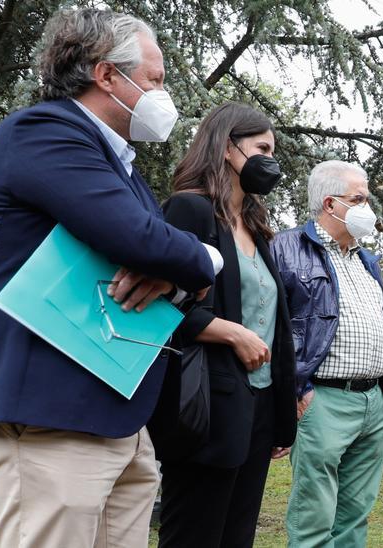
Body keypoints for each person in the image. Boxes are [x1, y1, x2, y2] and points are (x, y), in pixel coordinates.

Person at [0, 9, 217, 547]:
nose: (161, 94)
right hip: (49, 406)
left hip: (113, 410)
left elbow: (154, 252)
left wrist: (170, 276)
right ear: (106, 76)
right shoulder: (44, 131)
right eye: (154, 79)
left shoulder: (119, 163)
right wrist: (204, 259)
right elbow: (137, 238)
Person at [155, 102, 297, 547]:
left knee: (238, 535)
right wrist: (232, 333)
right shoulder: (189, 210)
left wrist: (279, 414)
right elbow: (165, 304)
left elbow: (275, 320)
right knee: (194, 534)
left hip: (257, 407)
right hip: (205, 407)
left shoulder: (257, 225)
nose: (269, 161)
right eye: (261, 148)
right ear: (227, 147)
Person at [270, 160, 383, 547]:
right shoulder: (287, 247)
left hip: (373, 401)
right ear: (330, 203)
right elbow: (274, 326)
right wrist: (298, 388)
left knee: (355, 516)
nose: (367, 207)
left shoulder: (367, 260)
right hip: (322, 398)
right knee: (314, 516)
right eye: (358, 198)